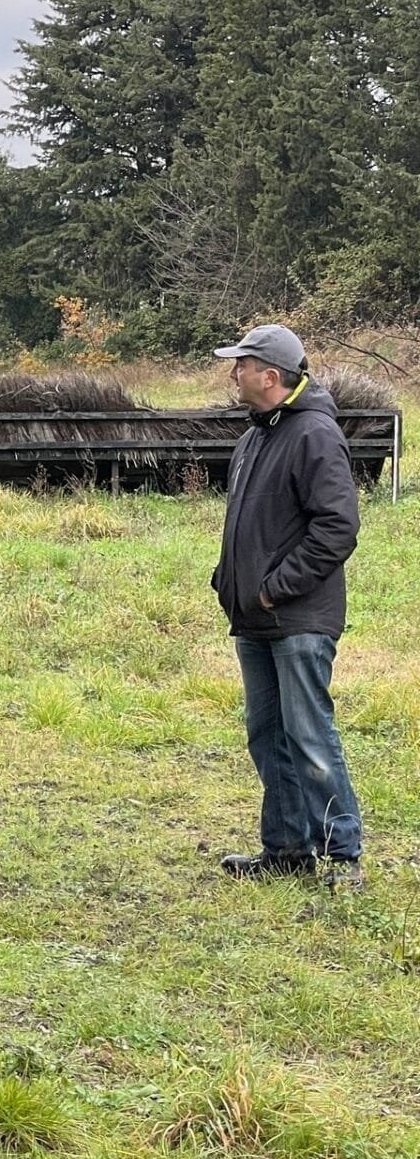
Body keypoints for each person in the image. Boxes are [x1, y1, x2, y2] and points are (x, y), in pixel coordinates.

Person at [210, 322, 363, 887]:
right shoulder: (255, 435)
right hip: (254, 618)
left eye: (241, 365)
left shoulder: (314, 435)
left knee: (309, 736)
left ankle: (343, 857)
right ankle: (287, 850)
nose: (233, 374)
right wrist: (228, 579)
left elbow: (337, 528)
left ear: (269, 376)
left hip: (297, 616)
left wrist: (275, 587)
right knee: (267, 735)